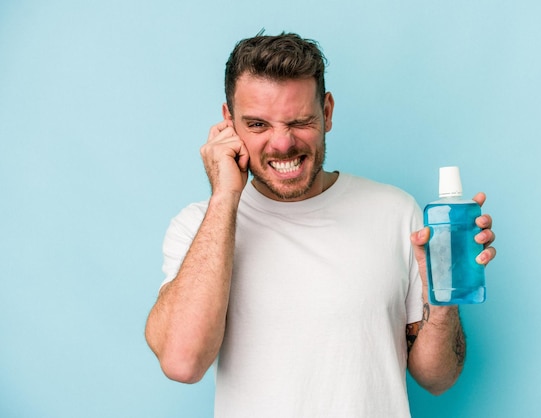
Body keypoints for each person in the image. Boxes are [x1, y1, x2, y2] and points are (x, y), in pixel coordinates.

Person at [145, 32, 497, 417]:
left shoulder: (395, 211)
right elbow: (182, 362)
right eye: (258, 124)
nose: (282, 144)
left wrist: (440, 296)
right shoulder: (200, 225)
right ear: (228, 122)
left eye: (299, 121)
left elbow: (438, 379)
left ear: (326, 112)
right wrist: (225, 196)